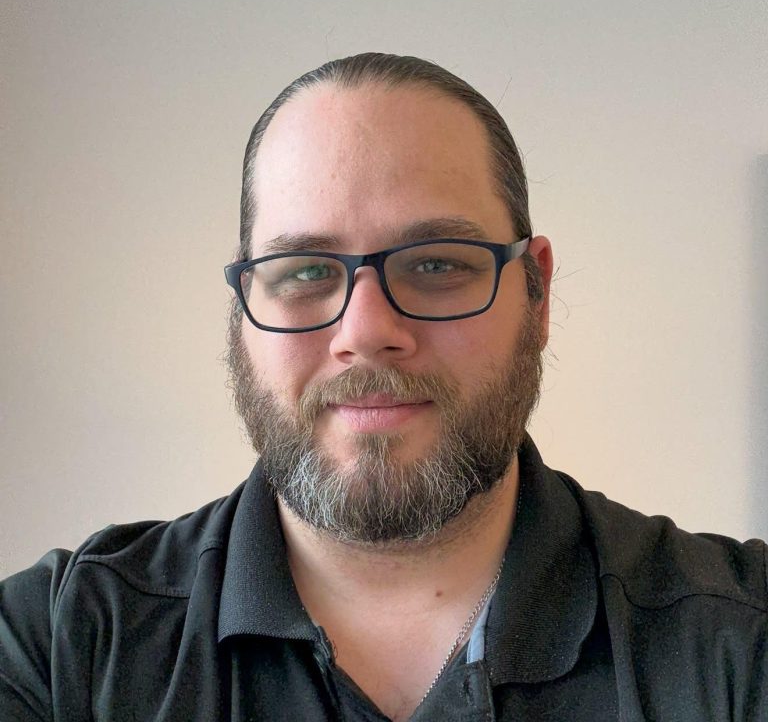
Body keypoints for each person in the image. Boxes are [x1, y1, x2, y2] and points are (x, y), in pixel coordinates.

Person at [1, 53, 766, 722]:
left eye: (436, 263)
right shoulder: (59, 648)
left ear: (536, 295)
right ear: (241, 312)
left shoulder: (743, 641)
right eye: (304, 270)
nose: (366, 332)